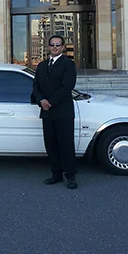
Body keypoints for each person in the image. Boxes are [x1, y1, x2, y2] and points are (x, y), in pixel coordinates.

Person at [32, 34, 78, 189]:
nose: (55, 47)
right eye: (52, 45)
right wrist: (41, 100)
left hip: (63, 111)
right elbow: (36, 86)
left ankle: (70, 176)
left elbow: (67, 87)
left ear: (63, 47)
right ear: (48, 47)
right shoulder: (42, 65)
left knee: (66, 145)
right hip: (47, 113)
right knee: (50, 145)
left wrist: (50, 101)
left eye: (58, 45)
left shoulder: (68, 64)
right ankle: (56, 174)